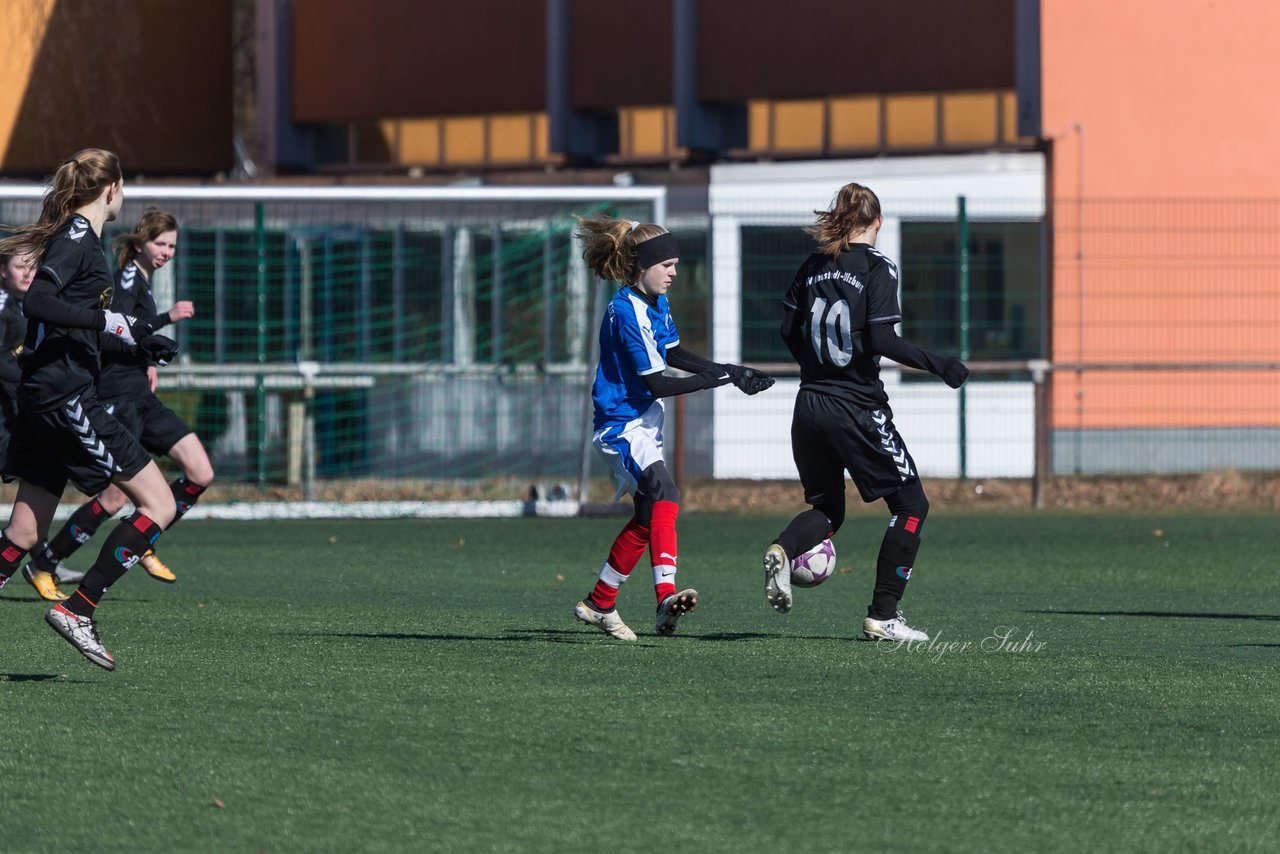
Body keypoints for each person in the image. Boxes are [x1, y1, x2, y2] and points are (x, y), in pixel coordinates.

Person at [763, 182, 969, 642]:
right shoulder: (879, 267)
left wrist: (816, 367)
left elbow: (786, 328)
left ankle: (783, 548)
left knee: (827, 509)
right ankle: (884, 613)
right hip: (854, 405)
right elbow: (882, 341)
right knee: (911, 504)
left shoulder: (813, 265)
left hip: (809, 403)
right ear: (879, 221)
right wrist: (942, 365)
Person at [0, 148, 180, 670]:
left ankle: (71, 599)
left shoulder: (83, 240)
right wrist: (106, 325)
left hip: (47, 392)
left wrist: (142, 341)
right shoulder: (78, 238)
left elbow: (74, 325)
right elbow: (39, 303)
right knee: (158, 504)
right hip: (66, 397)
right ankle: (80, 609)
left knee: (25, 534)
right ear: (111, 189)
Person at [572, 215, 774, 641]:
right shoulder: (626, 312)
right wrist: (720, 379)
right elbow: (658, 381)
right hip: (620, 428)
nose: (675, 272)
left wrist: (730, 370)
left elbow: (675, 353)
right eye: (667, 265)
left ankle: (600, 602)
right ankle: (665, 594)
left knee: (648, 515)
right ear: (643, 265)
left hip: (642, 423)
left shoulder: (654, 302)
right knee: (668, 493)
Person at [24, 208, 209, 597]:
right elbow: (111, 330)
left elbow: (127, 333)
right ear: (140, 244)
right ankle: (47, 562)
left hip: (141, 396)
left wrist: (146, 359)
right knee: (112, 498)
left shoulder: (142, 278)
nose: (168, 251)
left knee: (200, 472)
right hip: (117, 397)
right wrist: (165, 320)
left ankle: (142, 539)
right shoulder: (124, 279)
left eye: (173, 245)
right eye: (161, 243)